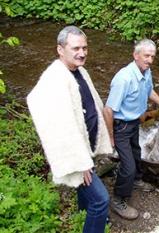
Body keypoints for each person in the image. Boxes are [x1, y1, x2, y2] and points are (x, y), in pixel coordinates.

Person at [27, 26, 113, 233]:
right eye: (75, 48)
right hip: (76, 154)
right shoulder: (54, 79)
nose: (82, 53)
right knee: (102, 200)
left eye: (84, 48)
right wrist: (80, 161)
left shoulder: (80, 71)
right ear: (60, 49)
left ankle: (84, 213)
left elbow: (93, 103)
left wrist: (106, 132)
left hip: (85, 148)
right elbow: (58, 124)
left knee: (88, 190)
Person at [103, 39, 159, 220]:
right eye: (146, 56)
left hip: (134, 123)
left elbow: (149, 91)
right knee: (128, 166)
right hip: (121, 126)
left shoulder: (146, 71)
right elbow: (108, 109)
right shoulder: (124, 78)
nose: (150, 60)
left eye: (152, 56)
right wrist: (110, 136)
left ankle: (136, 181)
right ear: (136, 56)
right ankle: (118, 199)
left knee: (137, 153)